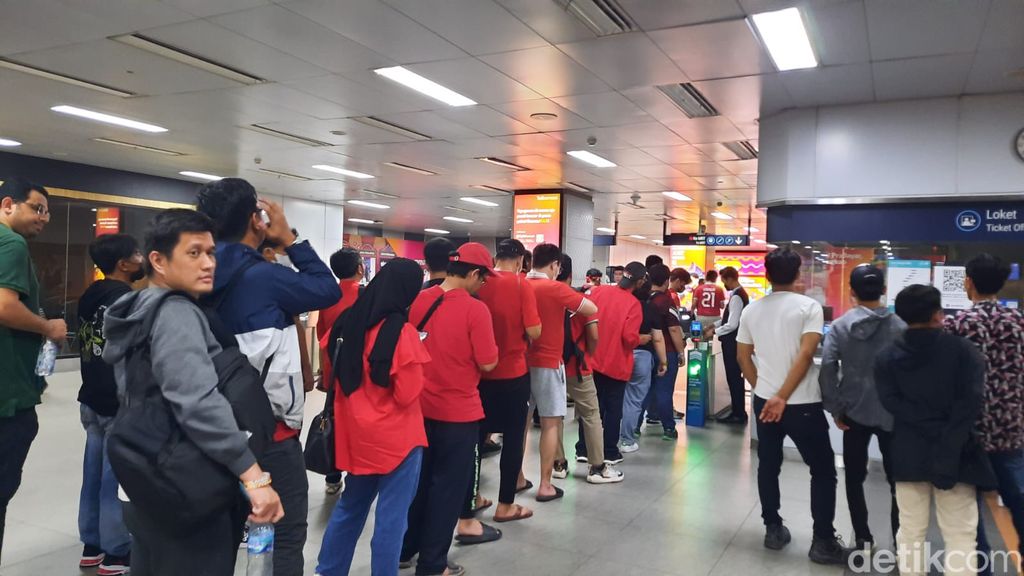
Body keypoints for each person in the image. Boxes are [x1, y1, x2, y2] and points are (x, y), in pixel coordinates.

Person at [102, 209, 284, 575]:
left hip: (143, 476)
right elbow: (197, 402)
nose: (208, 263)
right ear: (158, 260)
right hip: (186, 485)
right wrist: (254, 477)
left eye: (211, 252)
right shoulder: (176, 314)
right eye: (194, 252)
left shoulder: (136, 308)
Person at [195, 179, 340, 576]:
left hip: (208, 427)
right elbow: (327, 290)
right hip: (271, 434)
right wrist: (289, 237)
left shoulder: (193, 271)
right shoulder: (263, 277)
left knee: (218, 536)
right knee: (286, 532)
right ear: (256, 220)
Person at [316, 259, 430, 576]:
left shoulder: (347, 322)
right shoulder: (402, 332)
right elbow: (407, 393)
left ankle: (328, 570)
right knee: (392, 517)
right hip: (398, 439)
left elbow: (330, 367)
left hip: (356, 434)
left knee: (351, 506)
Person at [736, 248, 848, 564]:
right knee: (823, 470)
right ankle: (823, 541)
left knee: (768, 465)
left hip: (765, 402)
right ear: (799, 275)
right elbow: (805, 355)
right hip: (803, 405)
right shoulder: (808, 307)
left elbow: (743, 357)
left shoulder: (752, 310)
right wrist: (782, 396)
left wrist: (765, 391)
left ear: (767, 275)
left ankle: (773, 529)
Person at [876, 284, 993, 576]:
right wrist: (946, 433)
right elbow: (971, 404)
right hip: (956, 453)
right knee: (960, 535)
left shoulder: (887, 356)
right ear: (939, 314)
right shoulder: (964, 352)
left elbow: (891, 402)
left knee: (911, 533)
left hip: (908, 452)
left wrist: (925, 423)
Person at [401, 243, 499, 576]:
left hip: (417, 410)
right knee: (447, 490)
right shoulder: (476, 310)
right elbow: (488, 362)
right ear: (473, 274)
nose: (483, 285)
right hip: (458, 414)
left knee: (417, 484)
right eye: (484, 279)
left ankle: (404, 549)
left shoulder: (419, 300)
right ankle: (432, 565)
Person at [0, 178, 66, 562]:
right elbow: (5, 306)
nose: (44, 217)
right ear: (9, 203)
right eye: (36, 208)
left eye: (47, 211)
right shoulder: (11, 243)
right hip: (8, 399)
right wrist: (48, 327)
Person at [819, 264, 904, 551]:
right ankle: (899, 541)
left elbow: (828, 368)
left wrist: (835, 407)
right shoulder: (900, 326)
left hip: (853, 411)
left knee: (854, 477)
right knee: (898, 482)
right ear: (883, 290)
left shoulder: (841, 326)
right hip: (893, 414)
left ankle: (863, 537)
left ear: (852, 292)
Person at [945, 254, 1024, 562]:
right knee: (1018, 497)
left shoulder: (956, 325)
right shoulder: (1018, 324)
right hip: (1011, 428)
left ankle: (981, 565)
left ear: (969, 282)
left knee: (969, 507)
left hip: (970, 431)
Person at [75, 234, 144, 575]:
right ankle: (117, 550)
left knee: (93, 473)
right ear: (124, 264)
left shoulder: (90, 294)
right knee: (113, 477)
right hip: (118, 400)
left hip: (90, 395)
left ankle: (92, 543)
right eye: (136, 254)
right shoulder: (127, 299)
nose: (141, 257)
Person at [525, 244, 597, 501]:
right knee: (551, 423)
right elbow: (591, 309)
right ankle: (545, 484)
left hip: (521, 363)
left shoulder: (520, 284)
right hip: (548, 362)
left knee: (520, 425)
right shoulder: (556, 289)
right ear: (555, 265)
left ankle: (517, 478)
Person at [476, 239, 541, 521]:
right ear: (519, 261)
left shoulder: (478, 281)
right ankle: (505, 505)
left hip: (479, 373)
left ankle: (473, 496)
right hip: (513, 373)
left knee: (476, 438)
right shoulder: (520, 284)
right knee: (514, 437)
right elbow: (534, 330)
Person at [557, 254, 622, 483]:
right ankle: (596, 467)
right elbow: (593, 336)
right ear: (571, 274)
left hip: (551, 366)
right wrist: (589, 354)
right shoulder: (581, 301)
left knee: (553, 416)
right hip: (578, 366)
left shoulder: (541, 296)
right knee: (591, 415)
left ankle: (558, 464)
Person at [585, 262, 644, 465]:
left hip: (592, 360)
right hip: (616, 364)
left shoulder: (598, 291)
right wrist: (641, 339)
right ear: (640, 281)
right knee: (612, 410)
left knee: (591, 409)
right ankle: (609, 451)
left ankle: (583, 449)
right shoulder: (633, 304)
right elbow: (629, 338)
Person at [317, 247, 365, 494]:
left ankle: (332, 477)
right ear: (360, 268)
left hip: (332, 371)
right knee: (356, 424)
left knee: (332, 423)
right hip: (357, 373)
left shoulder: (328, 295)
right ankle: (357, 474)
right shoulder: (365, 294)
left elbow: (320, 334)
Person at [617, 264, 665, 453]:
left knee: (614, 398)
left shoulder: (622, 302)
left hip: (620, 354)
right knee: (633, 401)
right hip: (643, 357)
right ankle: (627, 440)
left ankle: (607, 438)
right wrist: (664, 361)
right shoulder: (649, 308)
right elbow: (658, 338)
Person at [647, 264, 686, 440]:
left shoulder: (643, 298)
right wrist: (680, 352)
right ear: (666, 281)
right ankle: (669, 428)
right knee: (664, 390)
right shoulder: (666, 300)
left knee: (644, 390)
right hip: (667, 350)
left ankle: (634, 428)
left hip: (646, 351)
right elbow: (674, 330)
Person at [711, 266, 751, 425]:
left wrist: (715, 332)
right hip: (735, 341)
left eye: (724, 281)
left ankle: (738, 413)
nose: (724, 285)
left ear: (729, 279)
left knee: (734, 377)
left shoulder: (736, 297)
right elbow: (728, 319)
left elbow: (732, 324)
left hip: (732, 343)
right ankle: (737, 410)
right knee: (735, 377)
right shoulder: (739, 294)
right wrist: (713, 326)